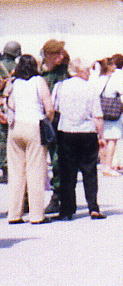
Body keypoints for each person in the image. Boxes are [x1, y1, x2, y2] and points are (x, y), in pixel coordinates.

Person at [53, 56, 106, 220]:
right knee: (89, 170)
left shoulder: (60, 86)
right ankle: (93, 207)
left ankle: (67, 210)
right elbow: (97, 115)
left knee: (67, 172)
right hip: (87, 132)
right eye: (87, 70)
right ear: (80, 71)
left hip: (66, 131)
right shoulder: (91, 88)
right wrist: (101, 136)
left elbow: (54, 108)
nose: (89, 73)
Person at [3, 53, 54, 224]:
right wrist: (48, 121)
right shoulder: (39, 81)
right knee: (35, 171)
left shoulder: (14, 82)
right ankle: (37, 215)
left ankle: (14, 214)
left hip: (15, 127)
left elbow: (10, 105)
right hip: (34, 126)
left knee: (16, 172)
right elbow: (49, 107)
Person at [40, 38, 70, 214]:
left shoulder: (64, 73)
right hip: (37, 120)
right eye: (57, 53)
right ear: (48, 54)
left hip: (57, 122)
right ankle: (29, 198)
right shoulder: (36, 72)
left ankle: (57, 196)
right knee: (33, 161)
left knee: (58, 160)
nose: (61, 56)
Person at [99, 54, 123, 176]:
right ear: (110, 66)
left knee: (102, 139)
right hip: (112, 110)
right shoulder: (114, 79)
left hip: (100, 110)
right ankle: (108, 166)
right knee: (112, 139)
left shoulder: (99, 79)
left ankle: (103, 165)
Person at [0, 39, 22, 183]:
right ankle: (10, 169)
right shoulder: (19, 68)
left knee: (1, 138)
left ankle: (3, 166)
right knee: (12, 137)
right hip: (13, 106)